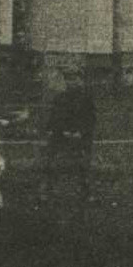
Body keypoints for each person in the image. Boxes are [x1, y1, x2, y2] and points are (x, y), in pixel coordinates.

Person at [44, 69, 96, 201]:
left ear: (80, 81)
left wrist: (81, 132)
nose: (71, 82)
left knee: (83, 164)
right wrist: (57, 130)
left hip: (80, 137)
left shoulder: (86, 99)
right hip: (61, 135)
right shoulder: (60, 98)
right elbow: (55, 117)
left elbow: (90, 119)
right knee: (51, 161)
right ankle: (47, 190)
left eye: (74, 79)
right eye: (68, 79)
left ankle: (86, 191)